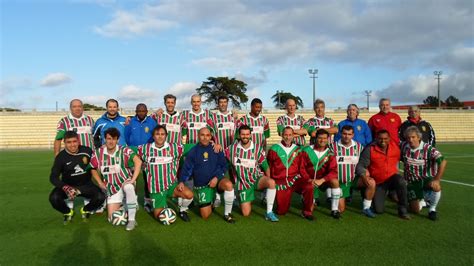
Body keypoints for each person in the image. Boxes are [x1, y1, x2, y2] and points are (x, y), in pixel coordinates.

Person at [137, 125, 194, 222]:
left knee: (189, 195)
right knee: (160, 216)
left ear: (166, 136)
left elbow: (193, 146)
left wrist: (210, 143)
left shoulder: (175, 148)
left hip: (171, 185)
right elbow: (128, 151)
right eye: (157, 134)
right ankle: (162, 203)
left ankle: (182, 209)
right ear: (153, 136)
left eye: (162, 134)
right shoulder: (144, 149)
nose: (160, 136)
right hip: (156, 189)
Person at [90, 128, 142, 231]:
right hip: (112, 187)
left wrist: (132, 180)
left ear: (117, 140)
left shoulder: (124, 150)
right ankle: (126, 204)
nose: (111, 141)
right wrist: (100, 182)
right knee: (112, 218)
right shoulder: (98, 153)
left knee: (129, 188)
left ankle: (131, 220)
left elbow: (138, 162)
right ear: (105, 139)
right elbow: (92, 168)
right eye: (108, 138)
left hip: (124, 181)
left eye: (114, 139)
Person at [179, 128, 235, 223]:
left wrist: (217, 177)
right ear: (198, 136)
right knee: (205, 215)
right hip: (203, 185)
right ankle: (209, 199)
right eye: (202, 135)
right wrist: (182, 181)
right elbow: (186, 169)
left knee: (229, 185)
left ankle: (227, 213)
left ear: (211, 137)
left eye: (207, 135)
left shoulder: (216, 148)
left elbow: (224, 165)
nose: (205, 138)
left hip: (216, 180)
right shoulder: (193, 152)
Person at [49, 131, 106, 224]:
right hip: (68, 186)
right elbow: (53, 177)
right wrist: (66, 187)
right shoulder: (60, 157)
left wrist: (100, 182)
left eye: (74, 141)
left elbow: (93, 168)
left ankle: (86, 209)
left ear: (78, 141)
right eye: (69, 142)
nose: (72, 145)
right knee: (54, 198)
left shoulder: (87, 151)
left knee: (101, 197)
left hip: (86, 185)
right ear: (64, 143)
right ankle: (67, 212)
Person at [226, 125, 279, 222]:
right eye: (243, 134)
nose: (245, 136)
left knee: (271, 182)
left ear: (250, 135)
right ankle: (241, 198)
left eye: (247, 134)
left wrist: (268, 185)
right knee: (246, 213)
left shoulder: (257, 148)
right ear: (239, 135)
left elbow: (266, 166)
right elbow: (223, 161)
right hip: (243, 183)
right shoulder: (231, 149)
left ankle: (269, 212)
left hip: (256, 178)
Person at [356, 130, 410, 219]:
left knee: (401, 181)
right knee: (378, 210)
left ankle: (403, 209)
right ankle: (367, 193)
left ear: (389, 139)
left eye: (385, 139)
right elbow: (360, 165)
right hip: (379, 182)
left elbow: (405, 158)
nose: (383, 141)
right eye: (380, 139)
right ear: (376, 138)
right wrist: (364, 176)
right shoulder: (370, 149)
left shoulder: (395, 147)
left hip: (392, 179)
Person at [401, 126, 447, 221]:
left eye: (413, 137)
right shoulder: (403, 146)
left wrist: (437, 180)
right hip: (411, 182)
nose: (411, 139)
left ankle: (432, 209)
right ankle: (423, 201)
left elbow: (443, 162)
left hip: (426, 180)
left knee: (436, 186)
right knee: (415, 210)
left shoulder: (428, 148)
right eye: (408, 137)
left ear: (419, 137)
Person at [267, 127, 313, 220]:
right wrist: (270, 182)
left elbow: (302, 168)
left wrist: (308, 179)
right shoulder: (274, 149)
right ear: (282, 135)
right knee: (281, 211)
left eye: (290, 135)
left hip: (295, 179)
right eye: (285, 135)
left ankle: (307, 212)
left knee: (309, 186)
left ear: (293, 136)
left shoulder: (298, 149)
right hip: (281, 181)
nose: (288, 137)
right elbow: (269, 166)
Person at [330, 125, 376, 218]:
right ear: (340, 134)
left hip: (355, 179)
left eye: (349, 134)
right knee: (341, 209)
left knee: (371, 182)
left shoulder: (359, 147)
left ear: (353, 135)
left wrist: (365, 171)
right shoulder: (333, 147)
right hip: (340, 182)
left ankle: (366, 208)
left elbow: (363, 163)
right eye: (344, 134)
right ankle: (332, 194)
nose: (346, 136)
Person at [300, 129, 341, 219]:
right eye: (320, 138)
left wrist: (322, 180)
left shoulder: (330, 153)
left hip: (323, 181)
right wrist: (309, 179)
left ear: (328, 139)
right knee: (310, 209)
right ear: (315, 138)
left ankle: (334, 210)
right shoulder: (306, 150)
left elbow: (334, 171)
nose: (322, 140)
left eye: (325, 138)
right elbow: (301, 168)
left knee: (335, 181)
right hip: (309, 181)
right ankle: (307, 199)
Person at [124, 103, 157, 211]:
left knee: (148, 179)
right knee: (134, 179)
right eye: (139, 111)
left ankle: (147, 201)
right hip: (134, 155)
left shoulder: (152, 122)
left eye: (143, 111)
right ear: (136, 111)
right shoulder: (131, 122)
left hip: (147, 154)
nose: (141, 113)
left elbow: (154, 137)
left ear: (147, 111)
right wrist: (133, 150)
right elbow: (127, 137)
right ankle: (134, 200)